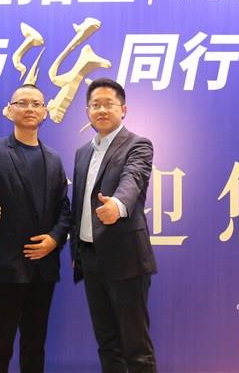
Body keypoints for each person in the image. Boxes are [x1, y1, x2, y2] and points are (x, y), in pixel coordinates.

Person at [0, 84, 71, 373]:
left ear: (45, 112)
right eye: (22, 103)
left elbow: (64, 209)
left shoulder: (54, 159)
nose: (30, 108)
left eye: (36, 104)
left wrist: (54, 239)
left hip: (43, 268)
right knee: (0, 347)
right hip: (7, 267)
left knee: (35, 346)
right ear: (10, 111)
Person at [70, 77, 158, 373]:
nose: (101, 110)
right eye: (95, 105)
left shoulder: (138, 145)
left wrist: (117, 206)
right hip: (90, 258)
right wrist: (76, 251)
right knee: (107, 344)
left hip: (126, 258)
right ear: (87, 111)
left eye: (108, 104)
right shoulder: (82, 153)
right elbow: (78, 204)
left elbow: (133, 179)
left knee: (136, 346)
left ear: (123, 109)